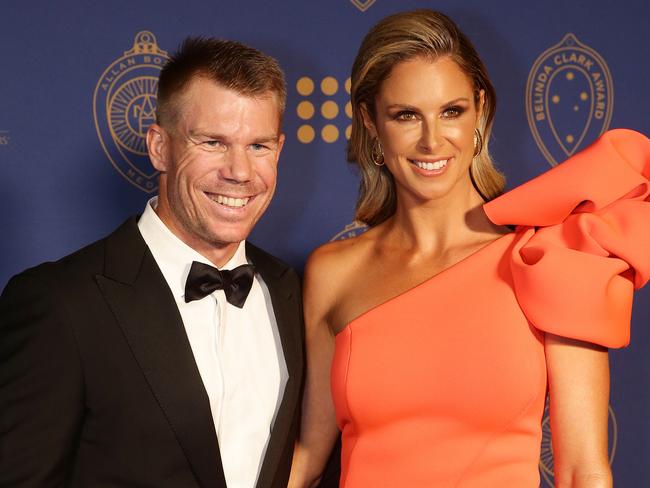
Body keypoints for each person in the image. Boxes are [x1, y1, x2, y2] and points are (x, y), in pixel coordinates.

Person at [288, 10, 649, 488]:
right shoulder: (331, 271)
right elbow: (309, 459)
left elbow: (584, 470)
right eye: (406, 115)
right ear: (371, 122)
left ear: (480, 110)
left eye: (451, 112)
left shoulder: (549, 256)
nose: (432, 140)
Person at [0, 38, 304, 488]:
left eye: (258, 146)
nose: (240, 171)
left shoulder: (289, 289)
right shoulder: (60, 303)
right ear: (160, 147)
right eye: (213, 142)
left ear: (278, 150)